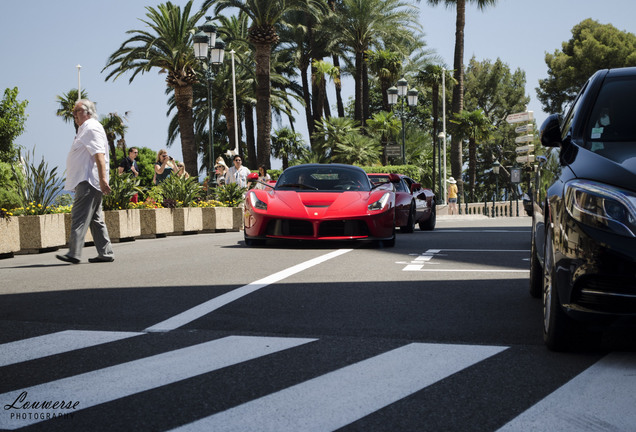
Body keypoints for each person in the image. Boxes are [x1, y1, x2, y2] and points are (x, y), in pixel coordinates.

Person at [56, 99, 114, 264]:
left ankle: (74, 253)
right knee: (95, 219)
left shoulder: (91, 128)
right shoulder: (85, 129)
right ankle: (106, 252)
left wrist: (103, 179)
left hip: (88, 180)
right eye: (73, 111)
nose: (74, 114)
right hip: (89, 179)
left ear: (88, 112)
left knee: (79, 216)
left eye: (77, 110)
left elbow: (99, 155)